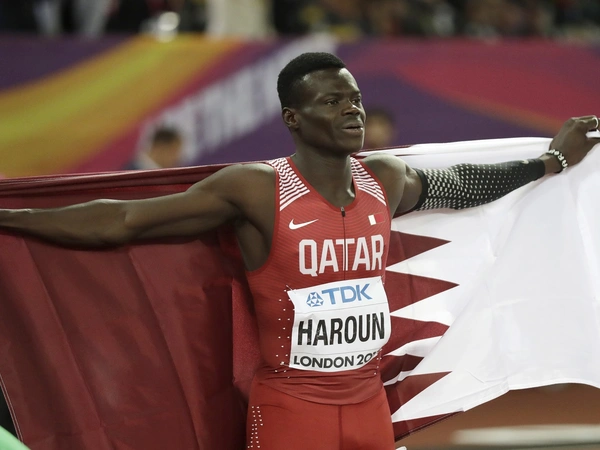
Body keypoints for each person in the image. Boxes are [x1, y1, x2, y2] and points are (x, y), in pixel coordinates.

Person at [0, 52, 598, 450]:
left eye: (354, 97)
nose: (352, 109)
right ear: (293, 117)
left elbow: (465, 185)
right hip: (293, 409)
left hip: (368, 403)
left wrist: (551, 161)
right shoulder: (257, 189)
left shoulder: (383, 179)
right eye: (331, 102)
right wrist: (12, 218)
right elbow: (126, 220)